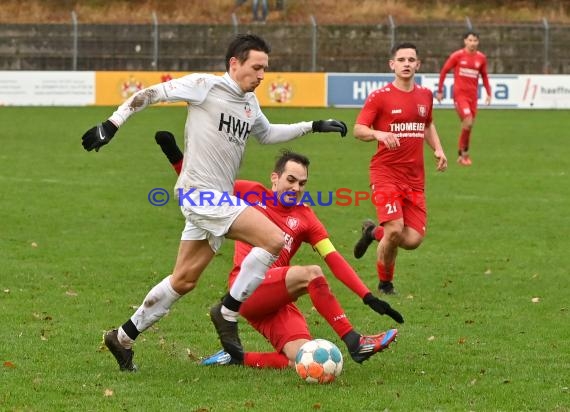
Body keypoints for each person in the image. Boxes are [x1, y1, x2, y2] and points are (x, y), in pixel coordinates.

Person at [81, 33, 348, 372]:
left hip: (219, 198)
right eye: (256, 67)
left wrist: (313, 125)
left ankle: (122, 337)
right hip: (200, 194)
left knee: (184, 279)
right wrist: (112, 124)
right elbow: (151, 93)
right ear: (234, 63)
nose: (262, 76)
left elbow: (267, 134)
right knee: (273, 239)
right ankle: (228, 312)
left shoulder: (250, 105)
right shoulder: (204, 86)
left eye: (266, 69)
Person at [155, 132, 403, 368]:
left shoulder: (306, 217)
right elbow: (203, 187)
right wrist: (175, 156)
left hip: (277, 297)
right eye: (291, 180)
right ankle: (354, 341)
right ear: (275, 178)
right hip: (245, 290)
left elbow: (334, 258)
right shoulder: (250, 192)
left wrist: (367, 296)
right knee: (311, 273)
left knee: (305, 358)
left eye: (302, 183)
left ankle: (236, 358)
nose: (295, 188)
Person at [351, 42, 447, 295]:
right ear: (392, 64)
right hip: (385, 174)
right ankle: (385, 284)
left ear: (418, 64)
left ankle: (373, 232)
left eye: (411, 59)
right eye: (401, 59)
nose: (406, 64)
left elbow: (427, 125)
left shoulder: (425, 95)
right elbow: (358, 129)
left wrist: (438, 149)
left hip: (414, 178)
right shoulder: (379, 97)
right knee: (394, 230)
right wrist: (378, 134)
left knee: (413, 240)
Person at [436, 30, 491, 166]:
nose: (472, 43)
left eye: (475, 40)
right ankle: (462, 154)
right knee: (468, 121)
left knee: (468, 126)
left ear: (478, 42)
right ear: (465, 41)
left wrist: (489, 93)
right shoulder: (458, 56)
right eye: (470, 40)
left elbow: (484, 76)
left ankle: (463, 155)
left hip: (473, 97)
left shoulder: (481, 58)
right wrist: (440, 90)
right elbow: (444, 71)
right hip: (460, 96)